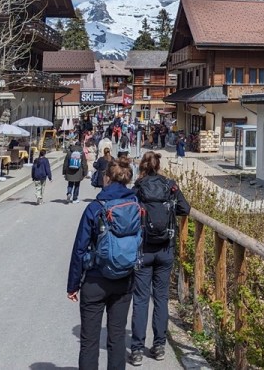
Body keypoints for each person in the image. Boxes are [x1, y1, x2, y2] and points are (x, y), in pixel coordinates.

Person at [67, 157, 138, 370]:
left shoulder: (96, 207)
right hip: (124, 279)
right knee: (116, 339)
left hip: (96, 280)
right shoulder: (135, 204)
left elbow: (80, 248)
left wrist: (73, 285)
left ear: (106, 178)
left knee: (89, 340)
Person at [128, 151, 190, 365]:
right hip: (165, 249)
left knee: (141, 299)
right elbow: (185, 209)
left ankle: (136, 350)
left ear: (143, 167)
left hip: (143, 249)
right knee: (161, 298)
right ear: (159, 166)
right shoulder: (169, 185)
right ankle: (159, 346)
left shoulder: (138, 188)